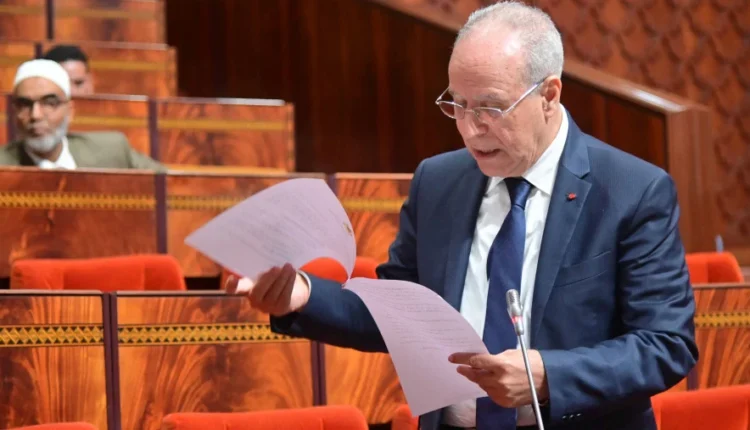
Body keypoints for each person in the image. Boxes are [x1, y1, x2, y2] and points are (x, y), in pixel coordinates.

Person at [226, 2, 698, 429]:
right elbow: (401, 314)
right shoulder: (438, 182)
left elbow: (666, 344)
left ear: (549, 94)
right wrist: (304, 295)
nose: (471, 130)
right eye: (457, 104)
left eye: (491, 108)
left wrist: (546, 376)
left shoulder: (632, 191)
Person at [0, 59, 164, 171]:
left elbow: (171, 186)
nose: (35, 115)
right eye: (24, 105)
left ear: (70, 111)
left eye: (49, 103)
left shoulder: (111, 150)